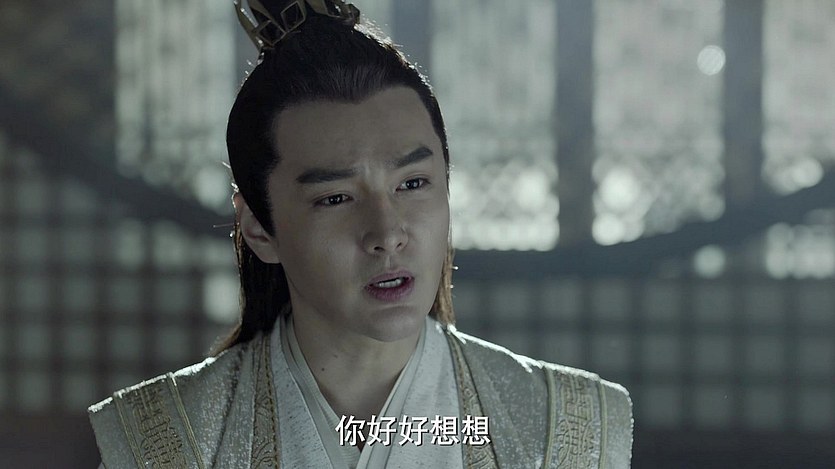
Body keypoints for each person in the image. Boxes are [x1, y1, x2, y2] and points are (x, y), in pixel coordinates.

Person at [88, 1, 633, 467]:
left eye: (413, 183)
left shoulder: (559, 428)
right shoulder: (166, 440)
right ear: (258, 228)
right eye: (335, 198)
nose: (387, 233)